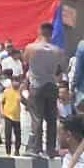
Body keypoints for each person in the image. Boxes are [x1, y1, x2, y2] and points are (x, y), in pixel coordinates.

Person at [23, 28, 65, 156]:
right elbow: (60, 66)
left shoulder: (31, 48)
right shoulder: (57, 50)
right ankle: (51, 149)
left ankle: (36, 148)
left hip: (37, 85)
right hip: (51, 84)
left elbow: (25, 60)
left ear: (40, 32)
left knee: (37, 118)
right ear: (51, 33)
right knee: (51, 119)